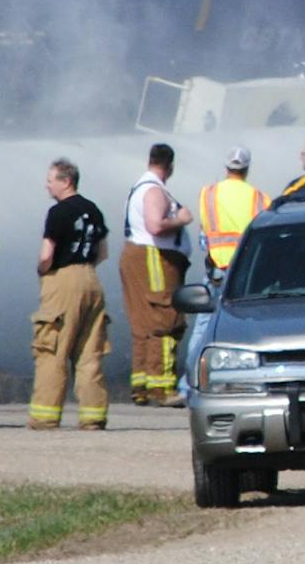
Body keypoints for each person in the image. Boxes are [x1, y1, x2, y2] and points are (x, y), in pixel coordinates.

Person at [28, 159, 111, 430]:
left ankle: (45, 416)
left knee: (53, 348)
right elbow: (103, 252)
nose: (46, 185)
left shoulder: (58, 212)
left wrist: (42, 271)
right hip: (92, 279)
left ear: (66, 181)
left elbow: (46, 255)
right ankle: (93, 417)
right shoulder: (93, 210)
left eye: (50, 180)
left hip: (63, 279)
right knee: (89, 352)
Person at [120, 142, 194, 406]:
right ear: (170, 166)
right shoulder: (154, 190)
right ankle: (162, 387)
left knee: (142, 321)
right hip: (154, 258)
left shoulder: (141, 187)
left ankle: (141, 385)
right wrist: (182, 220)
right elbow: (155, 225)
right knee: (164, 317)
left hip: (138, 255)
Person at [198, 146, 267, 280]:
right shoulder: (260, 198)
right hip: (247, 270)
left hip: (217, 271)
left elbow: (203, 235)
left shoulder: (207, 194)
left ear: (226, 167)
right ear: (247, 169)